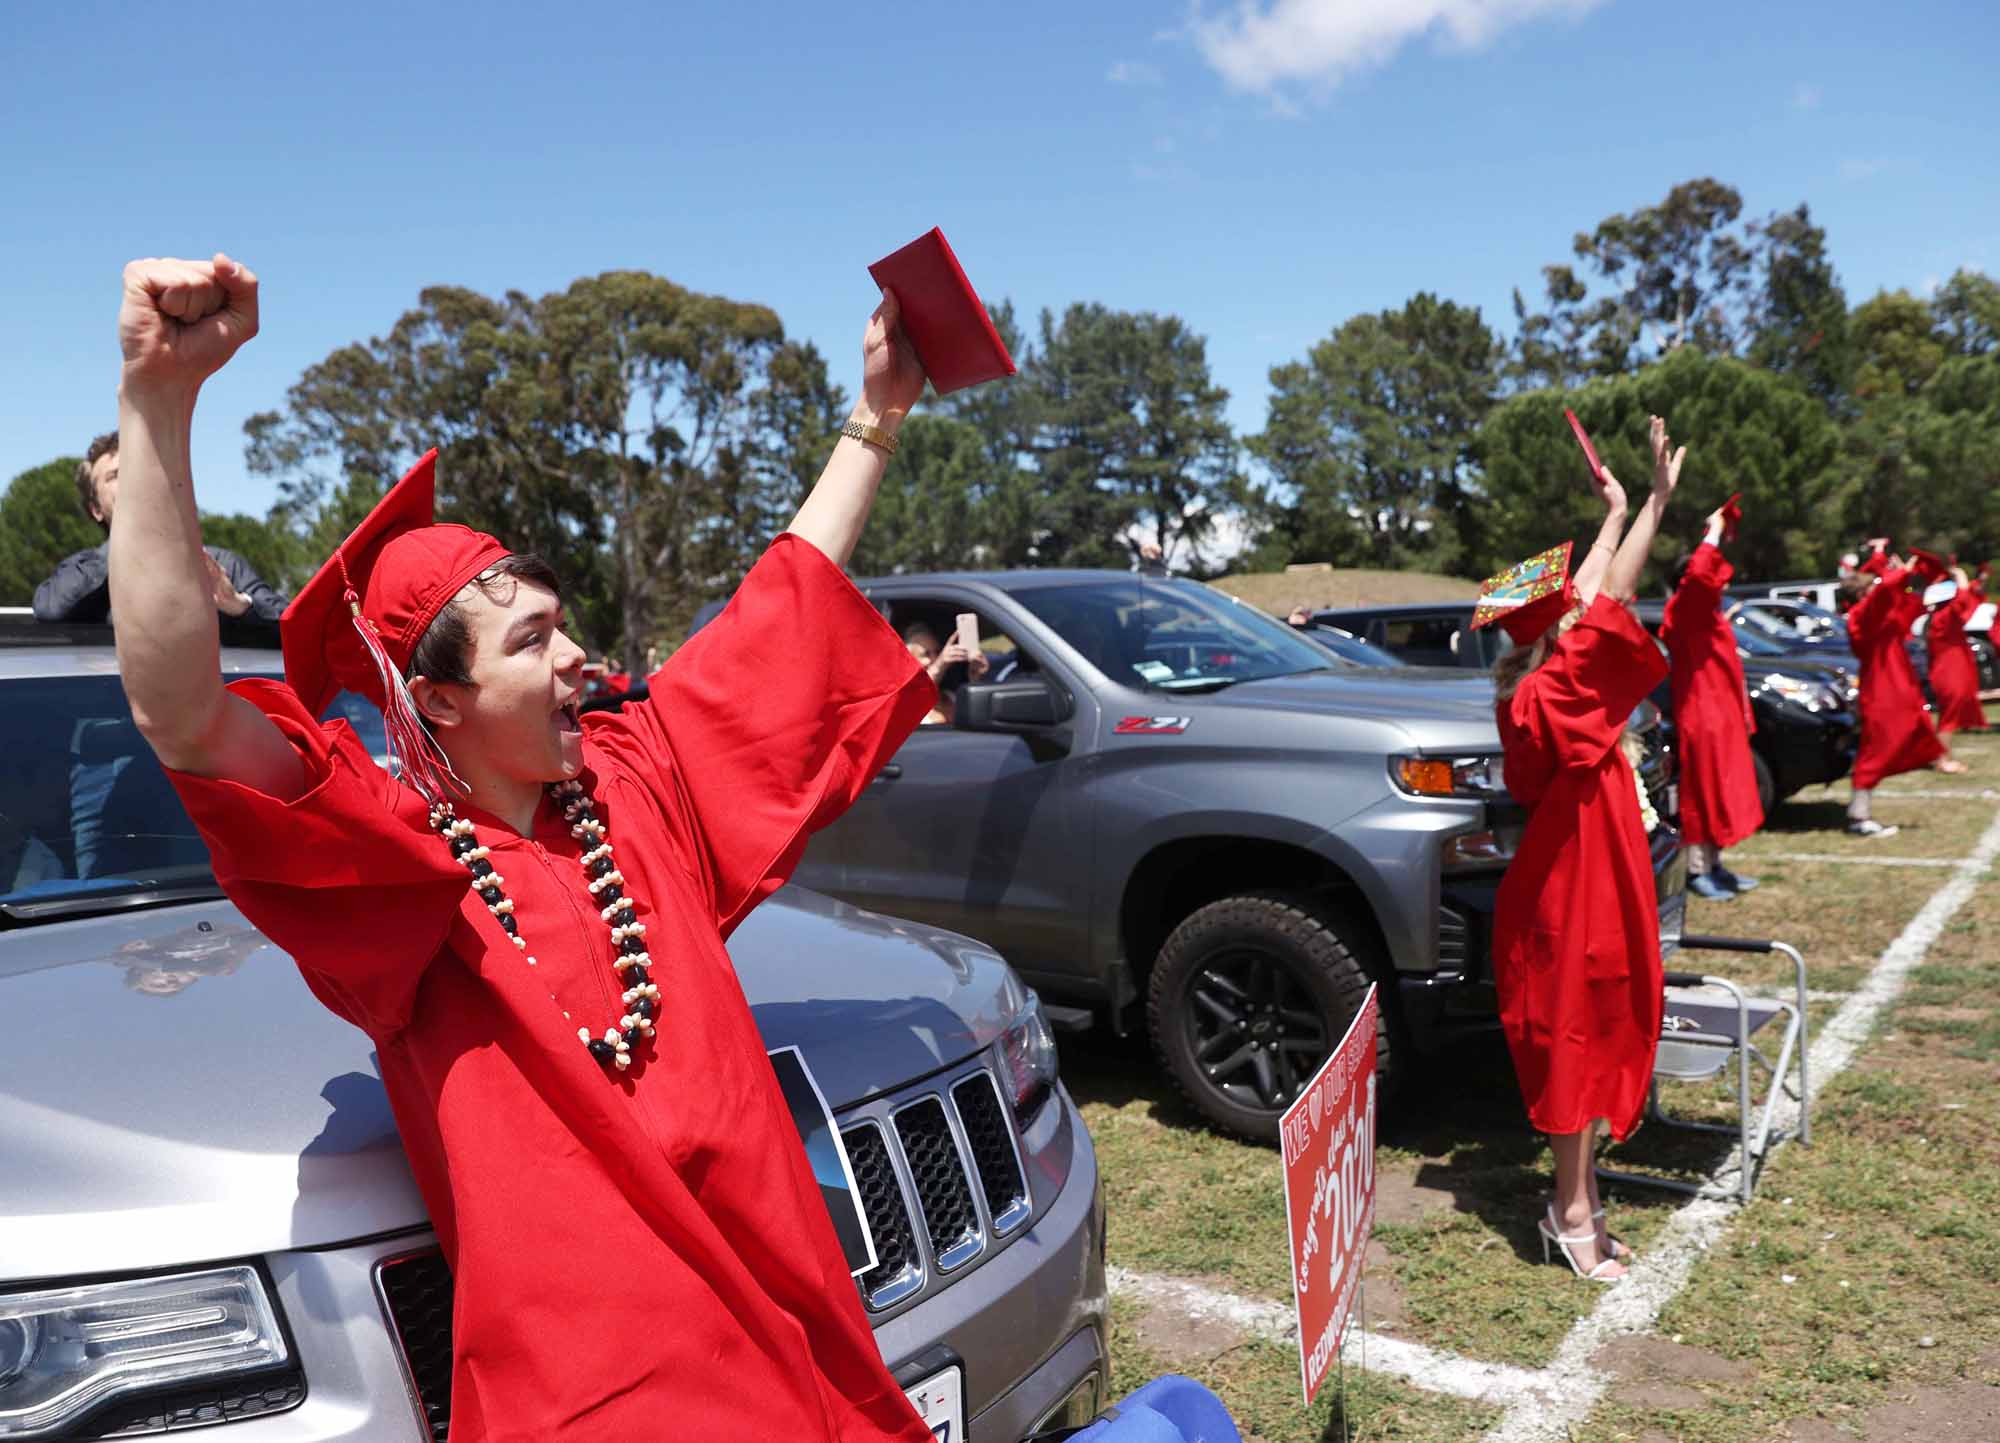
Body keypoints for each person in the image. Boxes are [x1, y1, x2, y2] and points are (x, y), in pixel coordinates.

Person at [109, 252, 944, 1442]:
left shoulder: (636, 784)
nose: (574, 661)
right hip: (599, 1404)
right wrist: (159, 401)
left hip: (794, 1358)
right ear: (438, 702)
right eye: (532, 640)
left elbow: (786, 599)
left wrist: (876, 415)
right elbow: (184, 714)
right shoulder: (401, 885)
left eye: (564, 631)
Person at [1482, 414, 1684, 1284]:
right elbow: (1603, 607)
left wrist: (1615, 511)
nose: (1585, 602)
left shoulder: (1547, 676)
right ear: (1550, 632)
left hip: (1596, 876)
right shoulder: (1544, 697)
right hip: (1568, 893)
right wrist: (1653, 508)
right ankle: (1569, 1209)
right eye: (1565, 607)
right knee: (1574, 1040)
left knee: (1603, 1030)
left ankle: (1580, 1194)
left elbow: (1593, 598)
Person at [34, 430, 288, 628]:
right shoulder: (82, 570)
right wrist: (125, 551)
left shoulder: (219, 566)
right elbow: (50, 608)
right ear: (96, 509)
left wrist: (238, 606)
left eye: (137, 469)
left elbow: (292, 627)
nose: (132, 479)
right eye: (114, 476)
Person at [1661, 504, 1765, 900]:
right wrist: (1713, 532)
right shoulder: (1685, 610)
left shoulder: (1706, 615)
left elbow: (1705, 577)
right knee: (1701, 792)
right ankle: (1697, 870)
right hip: (1701, 715)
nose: (1718, 588)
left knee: (1722, 790)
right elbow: (1701, 574)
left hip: (1721, 714)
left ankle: (1716, 864)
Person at [1843, 542, 1952, 834]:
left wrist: (1923, 577)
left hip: (1898, 690)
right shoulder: (1860, 618)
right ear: (1861, 594)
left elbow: (1906, 602)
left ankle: (1859, 811)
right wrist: (1897, 573)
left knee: (1902, 740)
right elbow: (1881, 596)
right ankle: (1858, 816)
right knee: (1875, 750)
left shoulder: (1881, 615)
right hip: (1881, 693)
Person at [1925, 562, 1987, 739]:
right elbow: (1963, 599)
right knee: (1948, 716)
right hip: (1949, 672)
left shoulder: (1938, 617)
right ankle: (1943, 758)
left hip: (1947, 670)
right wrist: (1961, 577)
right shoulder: (1945, 618)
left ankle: (1942, 755)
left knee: (1949, 713)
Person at [902, 622, 990, 725]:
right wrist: (940, 663)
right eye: (926, 654)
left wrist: (975, 678)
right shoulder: (906, 702)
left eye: (937, 652)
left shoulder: (950, 696)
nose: (935, 659)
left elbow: (978, 720)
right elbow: (912, 697)